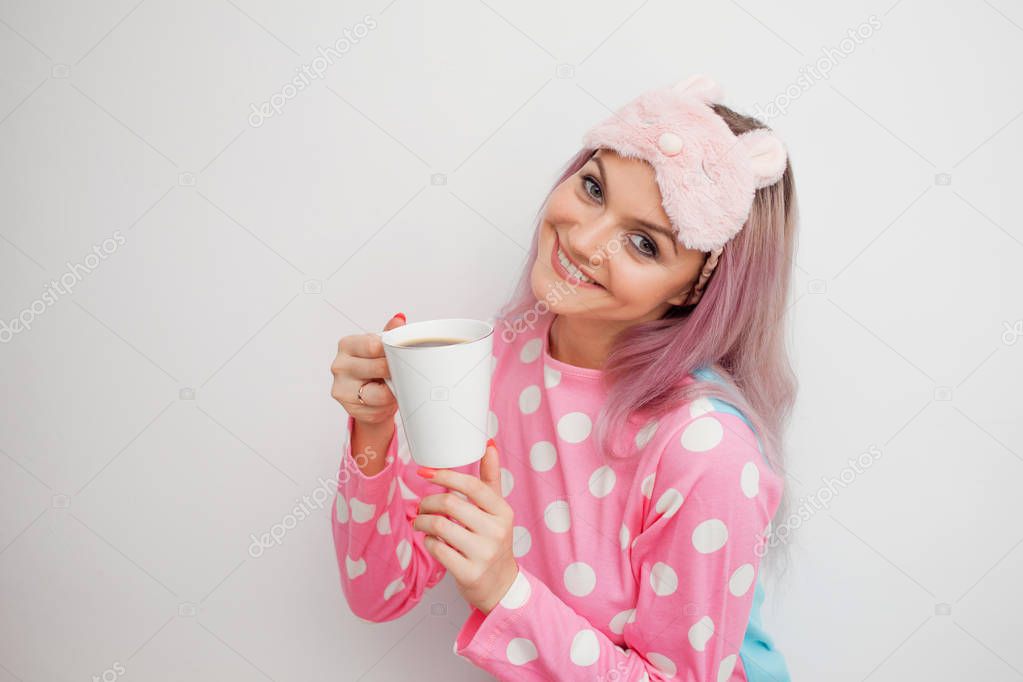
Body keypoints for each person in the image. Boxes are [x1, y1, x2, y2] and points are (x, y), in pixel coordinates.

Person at [330, 74, 798, 681]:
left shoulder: (706, 454)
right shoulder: (500, 359)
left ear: (696, 288)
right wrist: (374, 434)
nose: (586, 240)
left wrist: (505, 591)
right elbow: (382, 592)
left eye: (643, 243)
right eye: (594, 187)